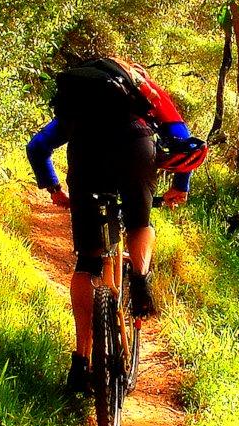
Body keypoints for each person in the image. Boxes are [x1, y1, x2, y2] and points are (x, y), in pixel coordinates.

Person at [26, 55, 207, 394]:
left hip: (86, 154)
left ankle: (80, 362)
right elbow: (184, 142)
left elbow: (37, 147)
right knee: (140, 222)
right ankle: (139, 283)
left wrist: (53, 188)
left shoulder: (79, 106)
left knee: (87, 262)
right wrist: (179, 187)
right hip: (136, 148)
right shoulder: (145, 91)